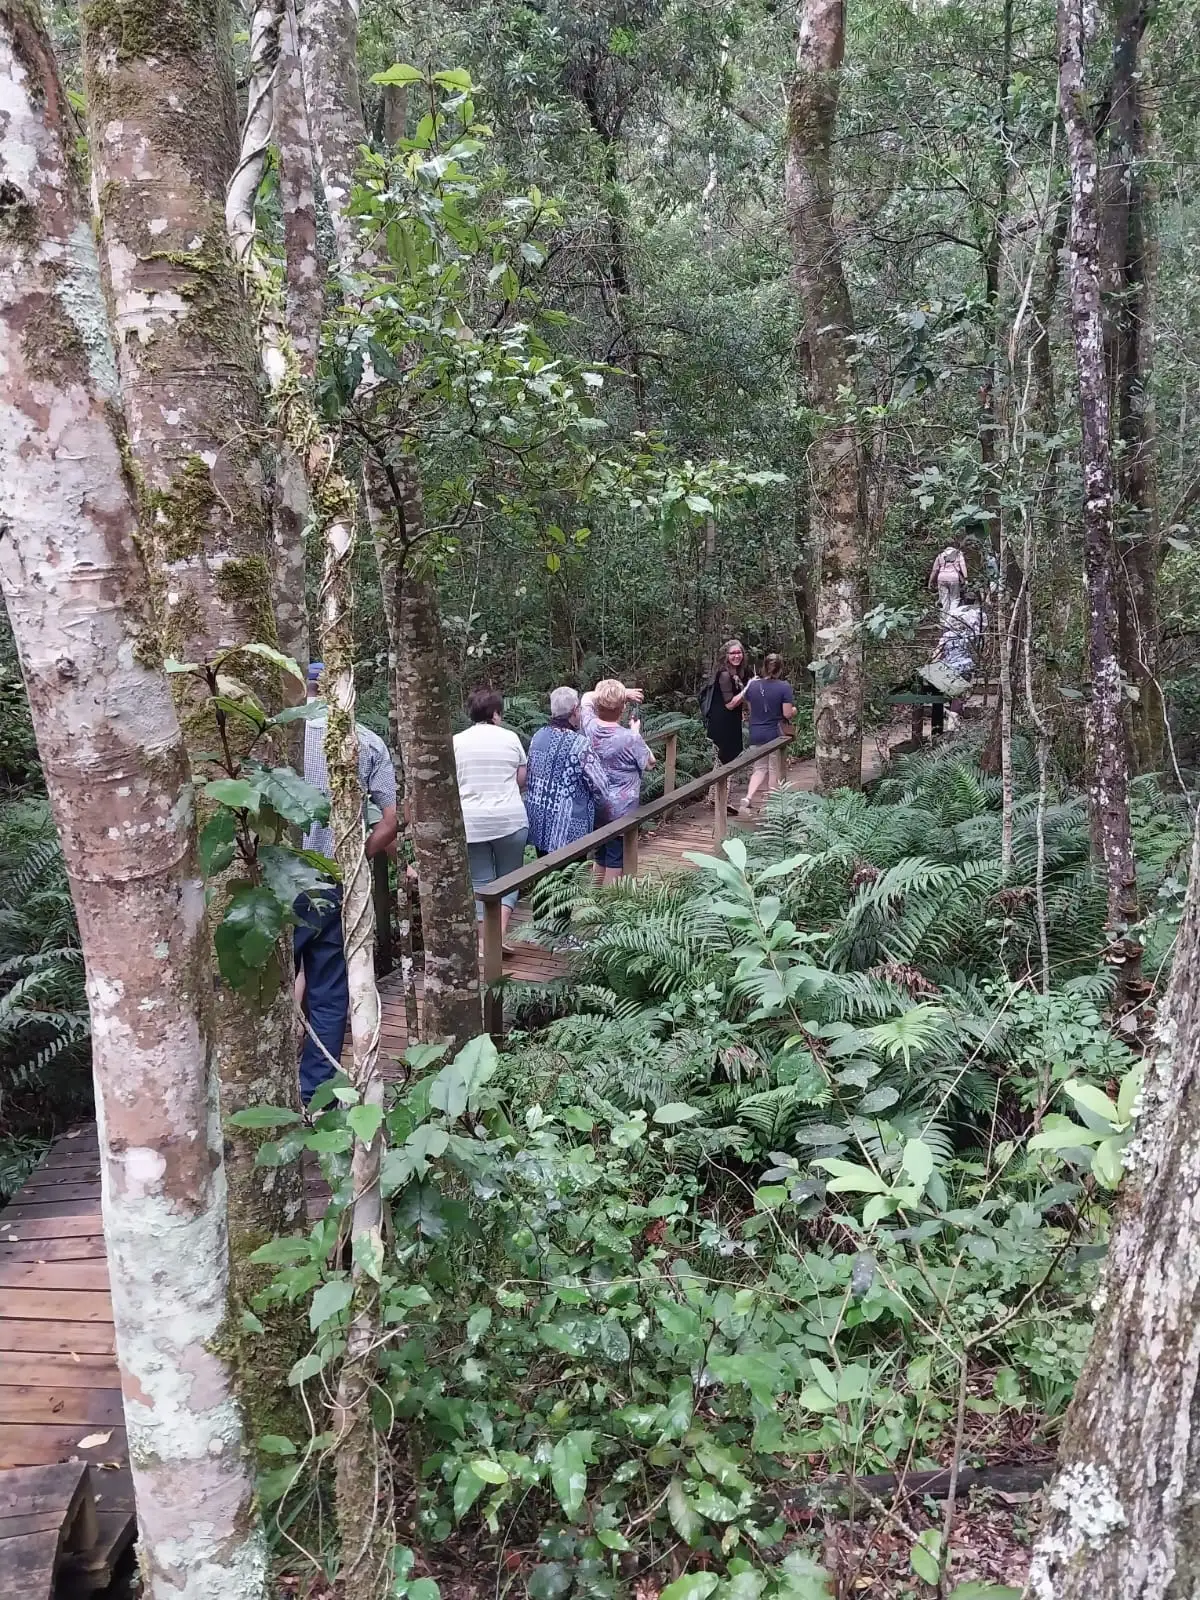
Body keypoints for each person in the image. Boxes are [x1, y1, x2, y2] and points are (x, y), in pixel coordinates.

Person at [295, 662, 398, 1104]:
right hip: (333, 881)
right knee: (329, 989)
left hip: (279, 879)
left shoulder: (281, 737)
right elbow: (390, 820)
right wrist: (355, 859)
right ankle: (316, 1092)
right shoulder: (366, 740)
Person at [453, 687, 529, 948]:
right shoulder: (510, 738)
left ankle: (486, 942)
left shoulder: (456, 742)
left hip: (471, 822)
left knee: (480, 882)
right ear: (496, 713)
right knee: (510, 877)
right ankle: (498, 935)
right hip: (509, 819)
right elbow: (521, 778)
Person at [581, 678, 655, 885]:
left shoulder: (590, 725)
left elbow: (586, 698)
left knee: (600, 856)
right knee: (615, 862)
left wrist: (621, 693)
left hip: (596, 806)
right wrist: (635, 733)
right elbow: (650, 763)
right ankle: (608, 901)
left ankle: (592, 898)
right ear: (622, 708)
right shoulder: (629, 738)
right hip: (621, 812)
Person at [524, 686, 613, 856]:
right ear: (574, 710)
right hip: (569, 828)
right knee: (572, 872)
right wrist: (600, 813)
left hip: (539, 823)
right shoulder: (579, 744)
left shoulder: (538, 736)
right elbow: (601, 786)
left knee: (546, 872)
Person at [741, 653, 796, 814]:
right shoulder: (784, 687)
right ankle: (770, 804)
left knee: (759, 768)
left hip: (756, 732)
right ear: (780, 669)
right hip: (774, 734)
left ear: (764, 667)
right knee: (773, 769)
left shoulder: (752, 686)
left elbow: (752, 710)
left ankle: (748, 797)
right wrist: (794, 710)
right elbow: (786, 713)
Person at [705, 639, 750, 766]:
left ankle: (729, 780)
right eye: (732, 653)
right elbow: (730, 704)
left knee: (734, 759)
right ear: (726, 656)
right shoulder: (724, 674)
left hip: (733, 721)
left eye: (739, 652)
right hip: (721, 724)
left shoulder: (740, 672)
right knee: (723, 761)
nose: (736, 656)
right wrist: (748, 689)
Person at [929, 543, 968, 612]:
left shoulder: (940, 555)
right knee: (955, 599)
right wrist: (966, 579)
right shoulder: (958, 554)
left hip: (941, 578)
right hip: (954, 578)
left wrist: (930, 581)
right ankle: (952, 615)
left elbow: (934, 570)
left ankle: (943, 617)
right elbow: (963, 567)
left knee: (943, 599)